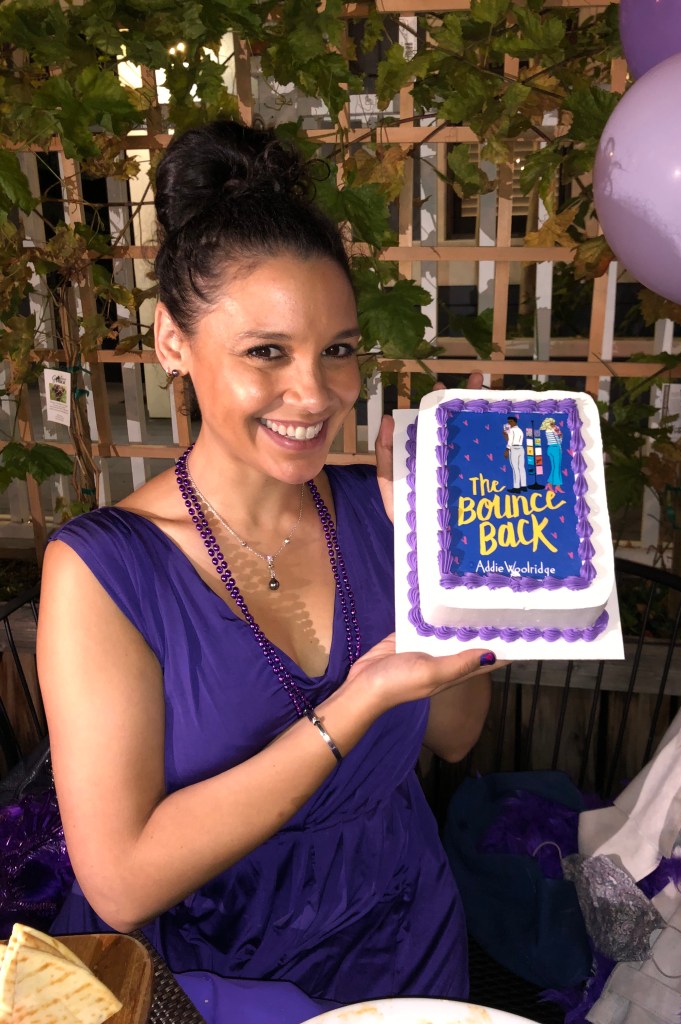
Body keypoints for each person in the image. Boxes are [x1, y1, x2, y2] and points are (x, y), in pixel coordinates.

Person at [36, 120, 495, 1024]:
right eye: (267, 352)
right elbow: (122, 882)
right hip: (213, 971)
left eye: (339, 350)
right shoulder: (101, 571)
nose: (316, 394)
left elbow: (455, 736)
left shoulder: (384, 511)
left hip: (404, 940)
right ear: (173, 340)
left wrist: (454, 582)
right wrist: (356, 701)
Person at [503, 415, 527, 492]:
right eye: (508, 422)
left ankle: (516, 487)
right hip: (521, 448)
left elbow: (510, 441)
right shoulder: (520, 430)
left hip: (514, 448)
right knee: (521, 467)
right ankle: (523, 486)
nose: (509, 423)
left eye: (510, 421)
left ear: (515, 422)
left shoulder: (512, 430)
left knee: (515, 468)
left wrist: (507, 449)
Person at [541, 416, 564, 493]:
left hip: (550, 448)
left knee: (554, 467)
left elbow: (560, 438)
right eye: (551, 424)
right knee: (557, 467)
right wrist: (559, 432)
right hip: (556, 448)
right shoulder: (554, 429)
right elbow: (560, 439)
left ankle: (550, 483)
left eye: (553, 423)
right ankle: (558, 486)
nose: (553, 425)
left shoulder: (547, 431)